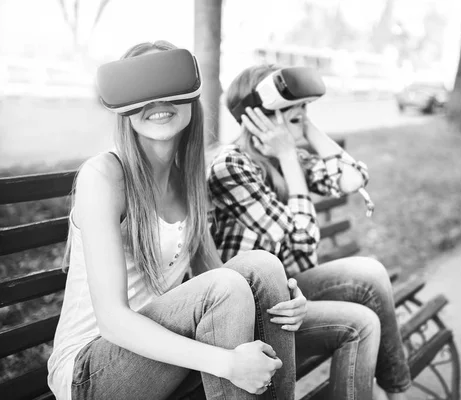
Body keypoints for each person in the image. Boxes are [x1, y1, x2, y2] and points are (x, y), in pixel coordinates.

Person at [47, 42, 295, 400]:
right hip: (91, 371)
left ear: (191, 96)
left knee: (263, 267)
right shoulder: (103, 176)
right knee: (224, 286)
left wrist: (284, 297)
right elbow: (113, 322)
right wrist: (227, 363)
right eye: (143, 90)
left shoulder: (187, 181)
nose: (159, 101)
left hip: (162, 353)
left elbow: (223, 273)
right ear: (124, 107)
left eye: (171, 87)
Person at [207, 64, 411, 400]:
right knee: (360, 322)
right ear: (258, 117)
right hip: (258, 308)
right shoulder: (232, 166)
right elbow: (302, 241)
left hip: (293, 292)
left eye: (306, 107)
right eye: (292, 108)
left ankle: (397, 392)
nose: (302, 113)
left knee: (370, 273)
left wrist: (305, 127)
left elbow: (353, 177)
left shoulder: (286, 156)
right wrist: (288, 155)